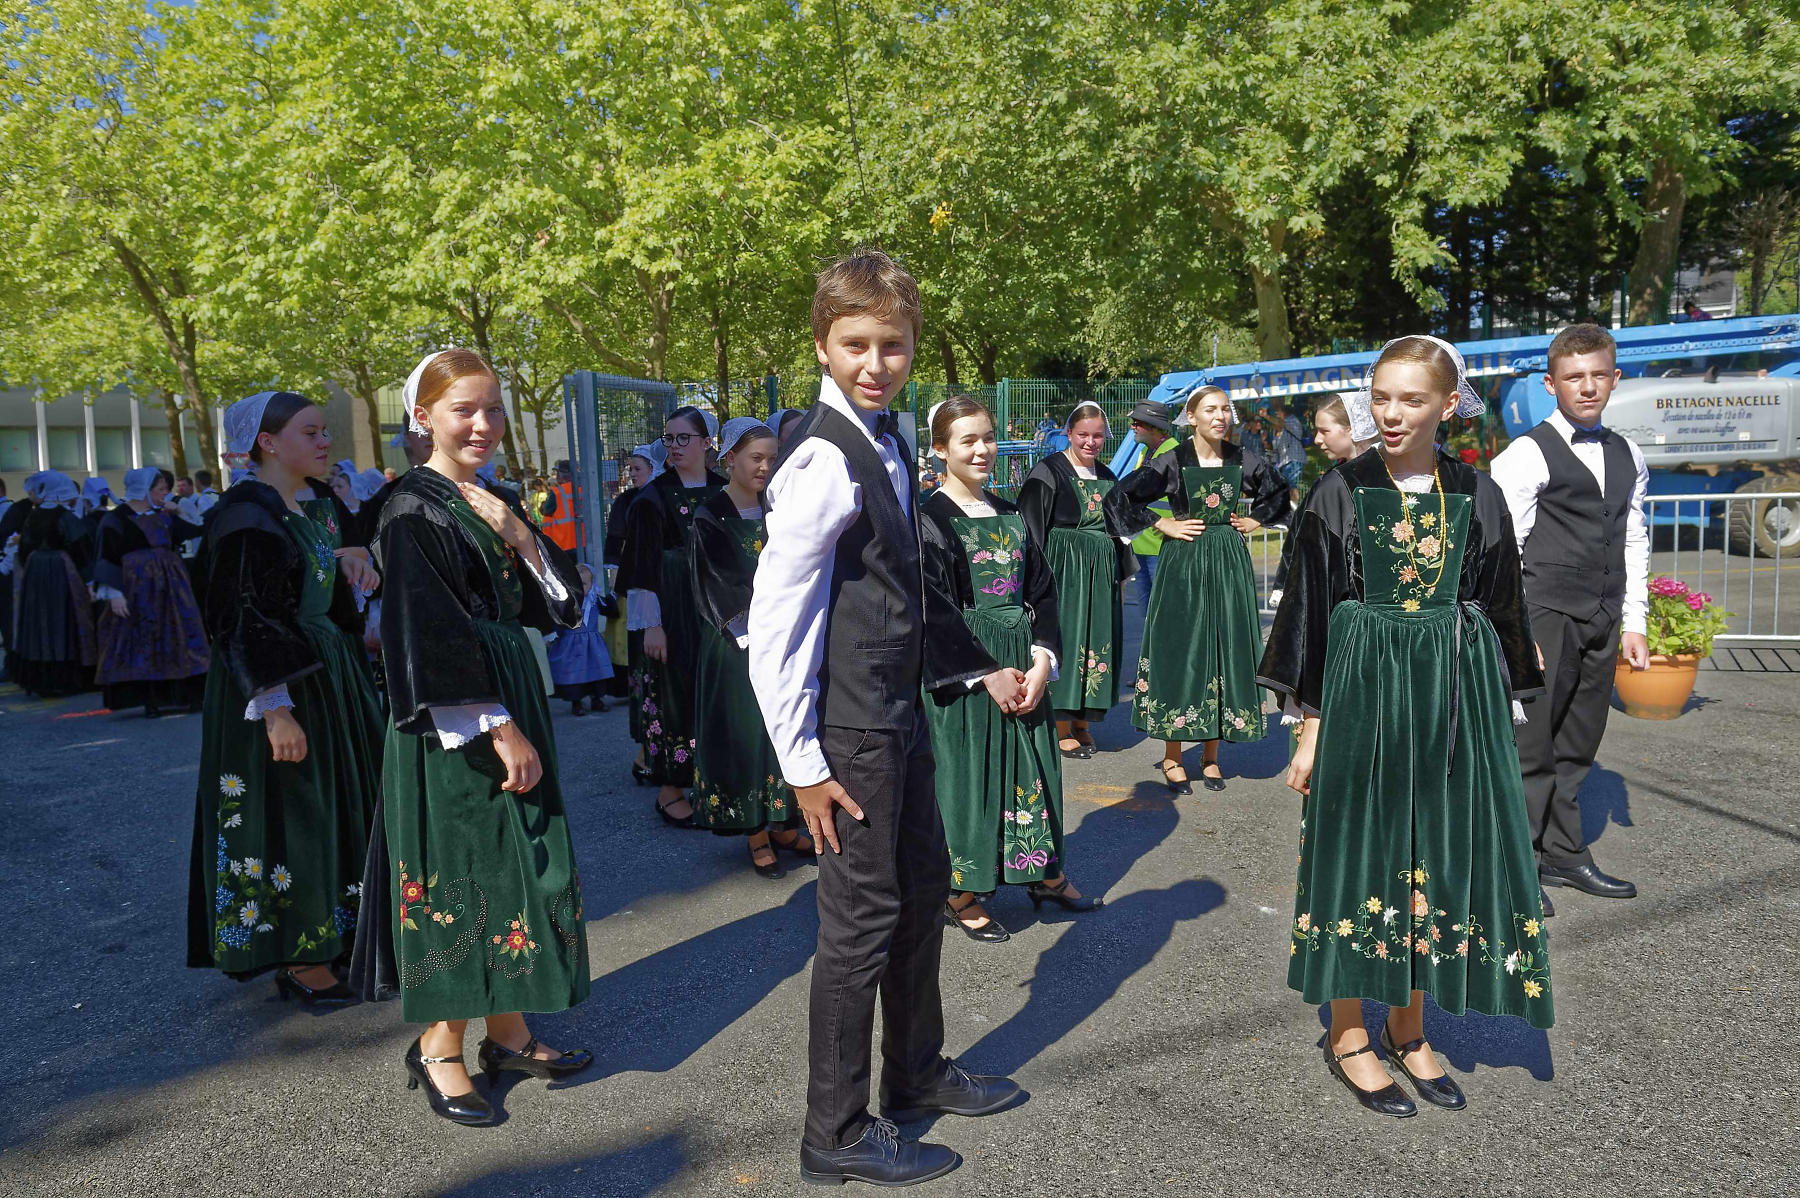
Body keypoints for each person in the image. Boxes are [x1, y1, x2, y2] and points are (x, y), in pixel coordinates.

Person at [749, 250, 1017, 1188]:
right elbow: (778, 622)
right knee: (859, 924)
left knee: (921, 887)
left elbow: (904, 587)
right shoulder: (822, 456)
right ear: (822, 346)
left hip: (898, 717)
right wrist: (801, 762)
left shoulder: (889, 437)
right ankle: (834, 1131)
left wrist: (981, 668)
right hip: (851, 732)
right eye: (855, 344)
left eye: (892, 345)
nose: (875, 361)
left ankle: (914, 1074)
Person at [1259, 334, 1552, 1117]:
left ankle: (1411, 1024)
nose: (1390, 413)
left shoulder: (1476, 492)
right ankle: (1349, 1030)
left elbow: (1502, 605)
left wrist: (1503, 710)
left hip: (1449, 703)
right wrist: (1310, 728)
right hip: (1360, 698)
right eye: (1380, 396)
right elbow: (1308, 613)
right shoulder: (1339, 490)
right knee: (1359, 854)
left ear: (1447, 405)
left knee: (1433, 853)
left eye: (1411, 399)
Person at [356, 348, 592, 1127]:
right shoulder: (411, 507)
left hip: (503, 684)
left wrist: (524, 539)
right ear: (422, 417)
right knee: (466, 862)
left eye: (492, 408)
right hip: (458, 718)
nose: (484, 424)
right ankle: (439, 1044)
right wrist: (498, 724)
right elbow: (428, 632)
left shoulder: (486, 499)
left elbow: (559, 606)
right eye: (465, 409)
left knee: (519, 859)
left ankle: (510, 1028)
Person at [187, 391, 383, 1009]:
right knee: (293, 810)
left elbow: (332, 567)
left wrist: (355, 562)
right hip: (280, 686)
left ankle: (341, 930)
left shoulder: (318, 503)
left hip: (332, 675)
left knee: (337, 803)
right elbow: (240, 618)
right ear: (267, 443)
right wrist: (275, 709)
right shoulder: (245, 517)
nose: (325, 442)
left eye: (325, 431)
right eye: (311, 432)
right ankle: (299, 954)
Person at [923, 397, 1101, 944]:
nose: (981, 450)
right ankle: (962, 891)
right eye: (966, 441)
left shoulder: (1008, 513)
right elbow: (931, 606)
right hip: (969, 670)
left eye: (988, 438)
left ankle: (1044, 874)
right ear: (939, 451)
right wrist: (985, 673)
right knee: (971, 779)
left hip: (1022, 663)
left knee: (1034, 771)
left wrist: (1042, 660)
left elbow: (1043, 592)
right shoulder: (927, 519)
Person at [1490, 323, 1647, 916]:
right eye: (1573, 378)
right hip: (1545, 616)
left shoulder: (1627, 452)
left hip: (1603, 616)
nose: (1587, 388)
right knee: (1530, 743)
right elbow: (1499, 549)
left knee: (1579, 739)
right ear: (1551, 384)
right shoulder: (1528, 452)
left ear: (1615, 378)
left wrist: (1634, 621)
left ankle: (1562, 849)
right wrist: (1515, 631)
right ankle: (1516, 861)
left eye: (1598, 375)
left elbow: (1633, 536)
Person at [1107, 385, 1289, 793]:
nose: (1220, 416)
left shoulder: (1242, 459)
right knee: (1180, 650)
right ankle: (1173, 755)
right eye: (1210, 410)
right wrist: (1164, 523)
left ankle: (1211, 757)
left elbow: (1279, 492)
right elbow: (1119, 497)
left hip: (1228, 562)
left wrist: (1256, 519)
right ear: (1192, 417)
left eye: (1226, 409)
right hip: (1184, 563)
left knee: (1223, 648)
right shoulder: (1173, 460)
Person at [689, 417, 812, 877]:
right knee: (746, 733)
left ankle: (781, 823)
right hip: (736, 643)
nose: (765, 467)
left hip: (784, 637)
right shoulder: (709, 516)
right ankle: (755, 832)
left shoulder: (778, 509)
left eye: (771, 458)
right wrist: (752, 632)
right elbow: (714, 585)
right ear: (729, 460)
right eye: (755, 458)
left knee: (778, 727)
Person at [617, 407, 725, 822]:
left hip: (715, 609)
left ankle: (711, 782)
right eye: (669, 439)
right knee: (673, 695)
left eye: (684, 438)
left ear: (705, 442)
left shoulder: (723, 490)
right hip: (673, 610)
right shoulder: (652, 498)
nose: (675, 447)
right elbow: (642, 569)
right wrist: (653, 626)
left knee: (711, 694)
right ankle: (668, 788)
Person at [1018, 400, 1134, 760]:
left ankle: (1084, 720)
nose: (1090, 442)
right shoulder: (1048, 471)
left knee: (1097, 641)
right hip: (1063, 571)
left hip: (1099, 576)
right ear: (1068, 434)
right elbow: (1030, 525)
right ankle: (1061, 725)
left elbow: (1120, 528)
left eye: (1097, 436)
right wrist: (1035, 580)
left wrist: (1120, 572)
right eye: (1083, 434)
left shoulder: (1109, 477)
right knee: (1066, 637)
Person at [93, 466, 210, 716]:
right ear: (143, 490)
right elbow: (106, 556)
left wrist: (180, 511)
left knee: (179, 636)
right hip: (138, 589)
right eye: (160, 490)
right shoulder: (116, 519)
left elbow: (197, 530)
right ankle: (151, 699)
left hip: (171, 589)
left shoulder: (165, 515)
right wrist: (114, 592)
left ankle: (185, 697)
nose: (165, 494)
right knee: (144, 639)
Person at [1268, 394, 1375, 609]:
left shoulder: (1384, 478)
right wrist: (1285, 583)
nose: (1317, 440)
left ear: (1353, 428)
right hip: (1335, 603)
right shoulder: (1328, 483)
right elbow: (1299, 538)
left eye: (1325, 431)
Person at [9, 471, 97, 696]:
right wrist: (89, 580)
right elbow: (80, 548)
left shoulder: (33, 515)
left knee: (40, 622)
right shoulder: (66, 517)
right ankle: (66, 677)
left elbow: (24, 548)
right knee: (63, 620)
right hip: (61, 570)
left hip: (35, 571)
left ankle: (42, 677)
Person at [1115, 400, 1176, 608]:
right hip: (1142, 542)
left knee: (1163, 607)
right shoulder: (1145, 452)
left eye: (1137, 422)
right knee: (1147, 607)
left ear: (1153, 426)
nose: (1133, 427)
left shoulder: (1174, 452)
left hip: (1162, 546)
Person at [544, 563, 614, 715]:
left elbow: (611, 611)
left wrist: (613, 597)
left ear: (592, 583)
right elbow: (556, 619)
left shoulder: (595, 600)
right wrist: (553, 633)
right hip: (570, 644)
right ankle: (577, 703)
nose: (580, 587)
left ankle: (597, 699)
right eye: (576, 583)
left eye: (584, 583)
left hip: (592, 645)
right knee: (574, 674)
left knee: (597, 674)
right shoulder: (565, 602)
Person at [1272, 399, 1309, 504]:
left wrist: (1266, 416)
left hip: (1294, 459)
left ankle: (1297, 506)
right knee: (1286, 485)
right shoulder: (1277, 429)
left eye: (1277, 413)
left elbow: (1280, 423)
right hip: (1283, 463)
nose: (1276, 416)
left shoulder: (1292, 421)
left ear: (1284, 412)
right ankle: (1291, 506)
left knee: (1292, 484)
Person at [542, 460, 580, 552]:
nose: (557, 475)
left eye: (559, 472)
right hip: (585, 542)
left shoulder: (557, 492)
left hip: (564, 544)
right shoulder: (585, 488)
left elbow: (546, 511)